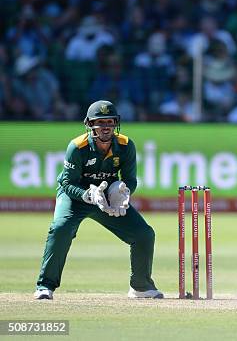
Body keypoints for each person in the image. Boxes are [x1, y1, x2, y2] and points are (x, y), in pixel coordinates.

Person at [34, 100, 163, 300]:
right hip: (75, 197)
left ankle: (140, 286)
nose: (105, 127)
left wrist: (122, 192)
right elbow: (67, 183)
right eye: (100, 122)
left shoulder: (126, 145)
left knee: (144, 234)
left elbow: (130, 179)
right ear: (90, 124)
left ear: (115, 123)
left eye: (109, 122)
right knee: (61, 229)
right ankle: (45, 286)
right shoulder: (77, 147)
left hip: (107, 198)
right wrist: (87, 194)